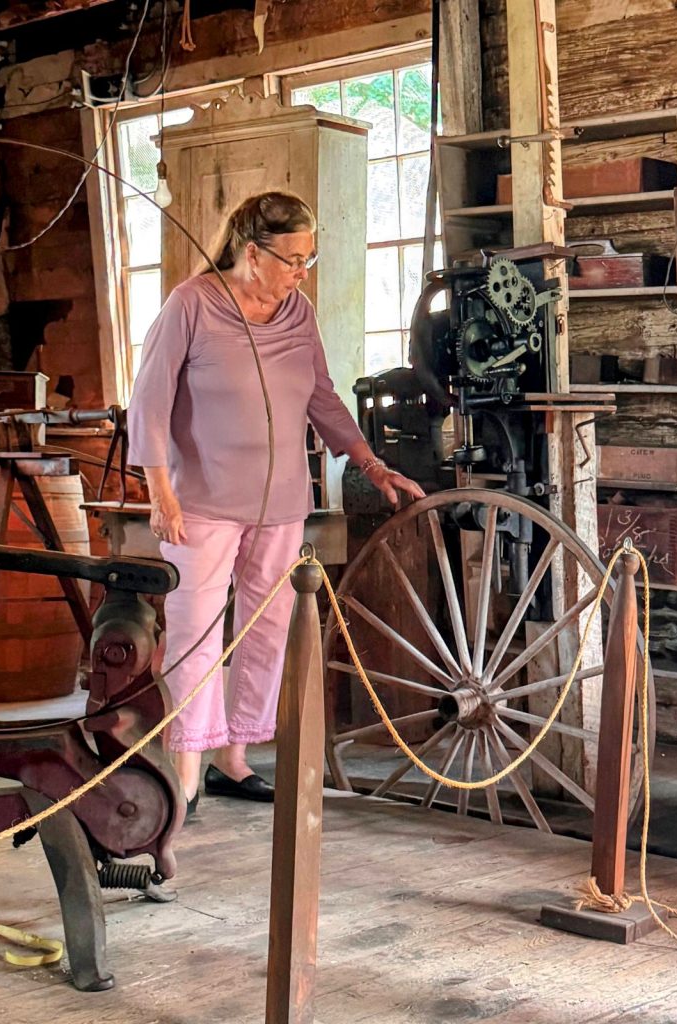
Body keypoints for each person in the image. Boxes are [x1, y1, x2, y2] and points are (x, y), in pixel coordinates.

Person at [127, 191, 424, 815]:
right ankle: (185, 770)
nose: (301, 271)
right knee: (194, 634)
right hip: (201, 504)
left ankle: (232, 761)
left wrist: (370, 463)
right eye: (292, 258)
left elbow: (322, 396)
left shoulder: (299, 312)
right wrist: (160, 494)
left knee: (264, 631)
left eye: (308, 259)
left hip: (282, 505)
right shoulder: (191, 304)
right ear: (251, 251)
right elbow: (150, 403)